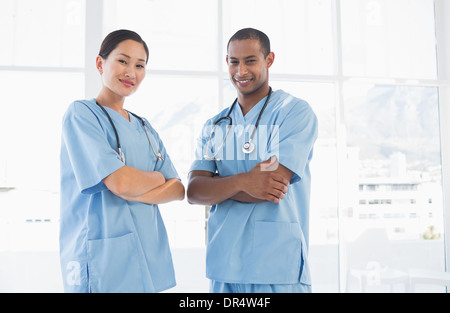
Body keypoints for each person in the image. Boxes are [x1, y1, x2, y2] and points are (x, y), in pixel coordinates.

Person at [187, 28, 318, 293]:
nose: (241, 71)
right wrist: (245, 181)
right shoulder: (215, 125)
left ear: (269, 60)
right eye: (234, 62)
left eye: (250, 61)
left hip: (278, 265)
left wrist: (219, 186)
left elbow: (272, 184)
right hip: (224, 265)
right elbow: (194, 191)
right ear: (227, 63)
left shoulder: (293, 113)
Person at [59, 29, 185, 293]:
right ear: (99, 63)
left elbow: (177, 189)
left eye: (140, 65)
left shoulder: (144, 126)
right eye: (123, 61)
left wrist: (136, 187)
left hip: (146, 254)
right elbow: (120, 183)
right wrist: (155, 178)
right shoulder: (82, 114)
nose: (131, 72)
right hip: (103, 256)